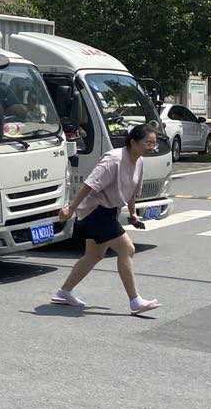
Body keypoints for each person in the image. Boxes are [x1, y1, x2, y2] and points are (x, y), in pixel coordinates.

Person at [54, 121, 161, 314]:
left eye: (154, 143)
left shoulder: (139, 161)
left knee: (94, 255)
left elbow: (132, 191)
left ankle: (64, 292)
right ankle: (135, 301)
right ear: (133, 142)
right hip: (95, 211)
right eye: (148, 143)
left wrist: (133, 214)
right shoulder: (114, 159)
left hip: (108, 211)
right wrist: (71, 208)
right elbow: (89, 184)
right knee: (127, 249)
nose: (152, 147)